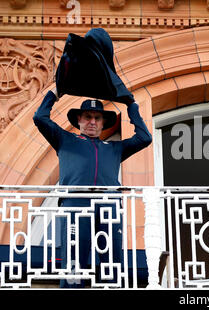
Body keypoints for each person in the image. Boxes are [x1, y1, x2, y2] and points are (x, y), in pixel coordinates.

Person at [33, 86, 152, 287]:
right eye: (87, 117)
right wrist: (54, 94)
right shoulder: (65, 139)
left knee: (112, 262)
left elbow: (145, 137)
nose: (92, 122)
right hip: (76, 203)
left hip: (108, 204)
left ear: (103, 123)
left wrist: (131, 106)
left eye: (97, 118)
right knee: (73, 263)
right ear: (79, 120)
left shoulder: (115, 148)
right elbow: (40, 118)